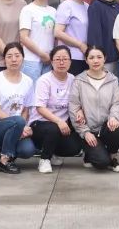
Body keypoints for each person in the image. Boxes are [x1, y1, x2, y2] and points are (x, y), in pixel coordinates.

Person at [68, 45, 119, 172]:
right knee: (101, 163)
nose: (95, 61)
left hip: (106, 128)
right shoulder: (79, 80)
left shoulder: (113, 80)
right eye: (91, 57)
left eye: (99, 57)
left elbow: (117, 103)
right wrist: (85, 132)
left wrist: (114, 118)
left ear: (104, 59)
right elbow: (74, 107)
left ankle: (113, 158)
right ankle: (90, 155)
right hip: (89, 130)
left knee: (116, 129)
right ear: (86, 60)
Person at [0, 42, 38, 174]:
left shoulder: (28, 81)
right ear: (4, 59)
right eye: (9, 56)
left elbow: (25, 110)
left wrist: (22, 126)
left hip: (16, 127)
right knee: (18, 121)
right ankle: (4, 160)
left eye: (17, 56)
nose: (14, 59)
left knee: (28, 150)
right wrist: (19, 124)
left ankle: (7, 149)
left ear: (23, 58)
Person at [31, 46, 84, 174]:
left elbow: (78, 101)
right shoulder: (44, 80)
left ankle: (51, 151)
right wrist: (59, 121)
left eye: (65, 59)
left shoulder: (73, 79)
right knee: (53, 128)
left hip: (61, 126)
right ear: (52, 61)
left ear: (70, 61)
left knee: (74, 147)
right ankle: (45, 159)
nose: (61, 62)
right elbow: (40, 108)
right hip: (40, 123)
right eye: (58, 59)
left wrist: (80, 110)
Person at [19, 0, 57, 83]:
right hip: (31, 61)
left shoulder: (53, 11)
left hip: (49, 60)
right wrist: (41, 54)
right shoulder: (28, 10)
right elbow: (24, 37)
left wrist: (50, 56)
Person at [87, 0, 119, 79]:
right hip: (105, 59)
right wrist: (98, 58)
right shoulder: (96, 5)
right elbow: (94, 35)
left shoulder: (118, 6)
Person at [55, 0, 91, 75]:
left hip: (85, 57)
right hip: (70, 57)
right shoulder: (66, 6)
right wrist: (80, 45)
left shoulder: (87, 7)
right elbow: (58, 32)